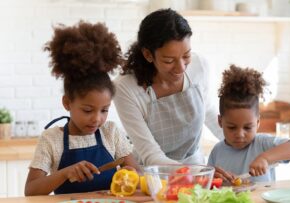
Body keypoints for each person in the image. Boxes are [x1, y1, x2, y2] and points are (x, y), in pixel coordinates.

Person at [25, 21, 140, 196]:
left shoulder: (111, 133)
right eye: (87, 110)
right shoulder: (51, 140)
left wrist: (132, 175)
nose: (97, 119)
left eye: (104, 110)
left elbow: (137, 174)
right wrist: (65, 173)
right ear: (67, 103)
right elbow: (31, 191)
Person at [113, 8, 224, 167]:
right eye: (169, 60)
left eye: (186, 56)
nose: (181, 68)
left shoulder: (200, 66)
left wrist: (245, 143)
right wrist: (196, 174)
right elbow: (150, 153)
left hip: (195, 168)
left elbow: (209, 111)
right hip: (152, 177)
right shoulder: (125, 87)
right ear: (148, 55)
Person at [207, 64, 290, 182]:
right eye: (232, 127)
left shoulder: (262, 144)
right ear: (220, 121)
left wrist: (265, 158)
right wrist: (212, 177)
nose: (240, 134)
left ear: (257, 123)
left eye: (247, 127)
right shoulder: (217, 151)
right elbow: (208, 182)